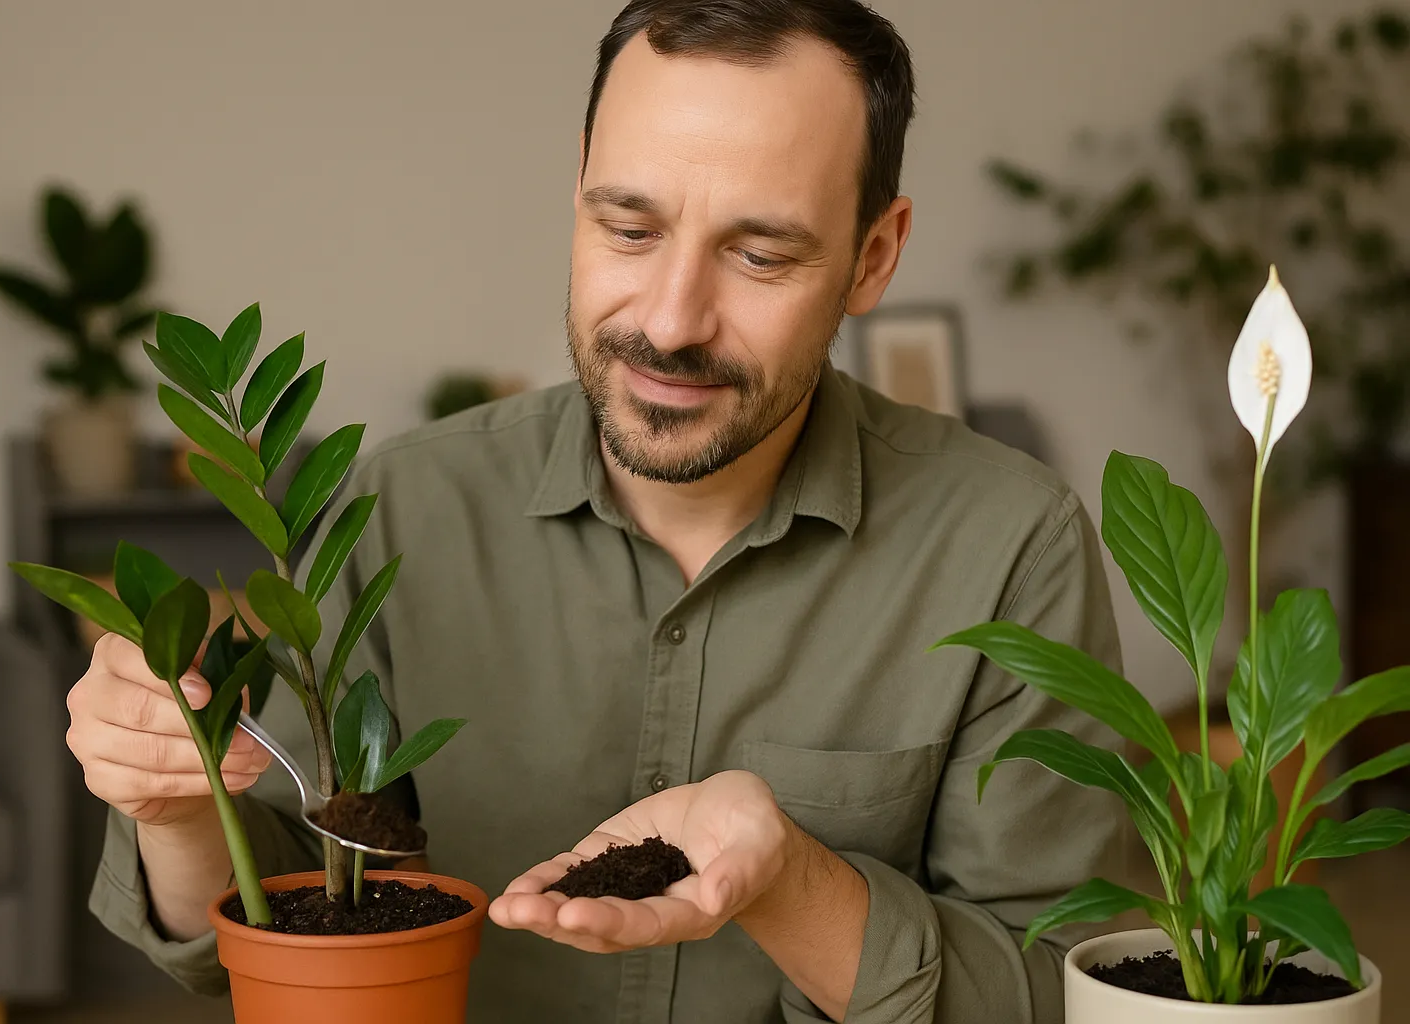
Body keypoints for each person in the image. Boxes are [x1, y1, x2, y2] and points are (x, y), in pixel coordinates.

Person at [75, 1, 1123, 1020]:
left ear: (874, 256)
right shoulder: (408, 504)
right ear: (576, 190)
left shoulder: (1010, 546)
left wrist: (792, 881)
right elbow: (286, 916)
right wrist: (172, 806)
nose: (670, 321)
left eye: (760, 256)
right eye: (629, 226)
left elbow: (1065, 991)